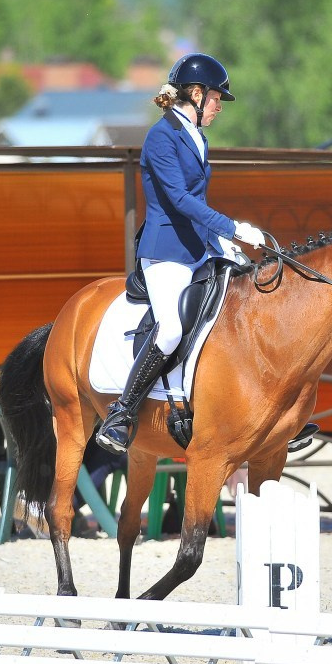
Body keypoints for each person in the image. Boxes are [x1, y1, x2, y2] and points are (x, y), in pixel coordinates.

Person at [94, 53, 265, 454]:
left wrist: (221, 242)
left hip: (199, 245)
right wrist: (233, 227)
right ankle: (122, 413)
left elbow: (197, 199)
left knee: (246, 304)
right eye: (217, 98)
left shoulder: (197, 136)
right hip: (167, 249)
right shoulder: (161, 136)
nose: (220, 106)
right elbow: (179, 199)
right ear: (196, 93)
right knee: (171, 328)